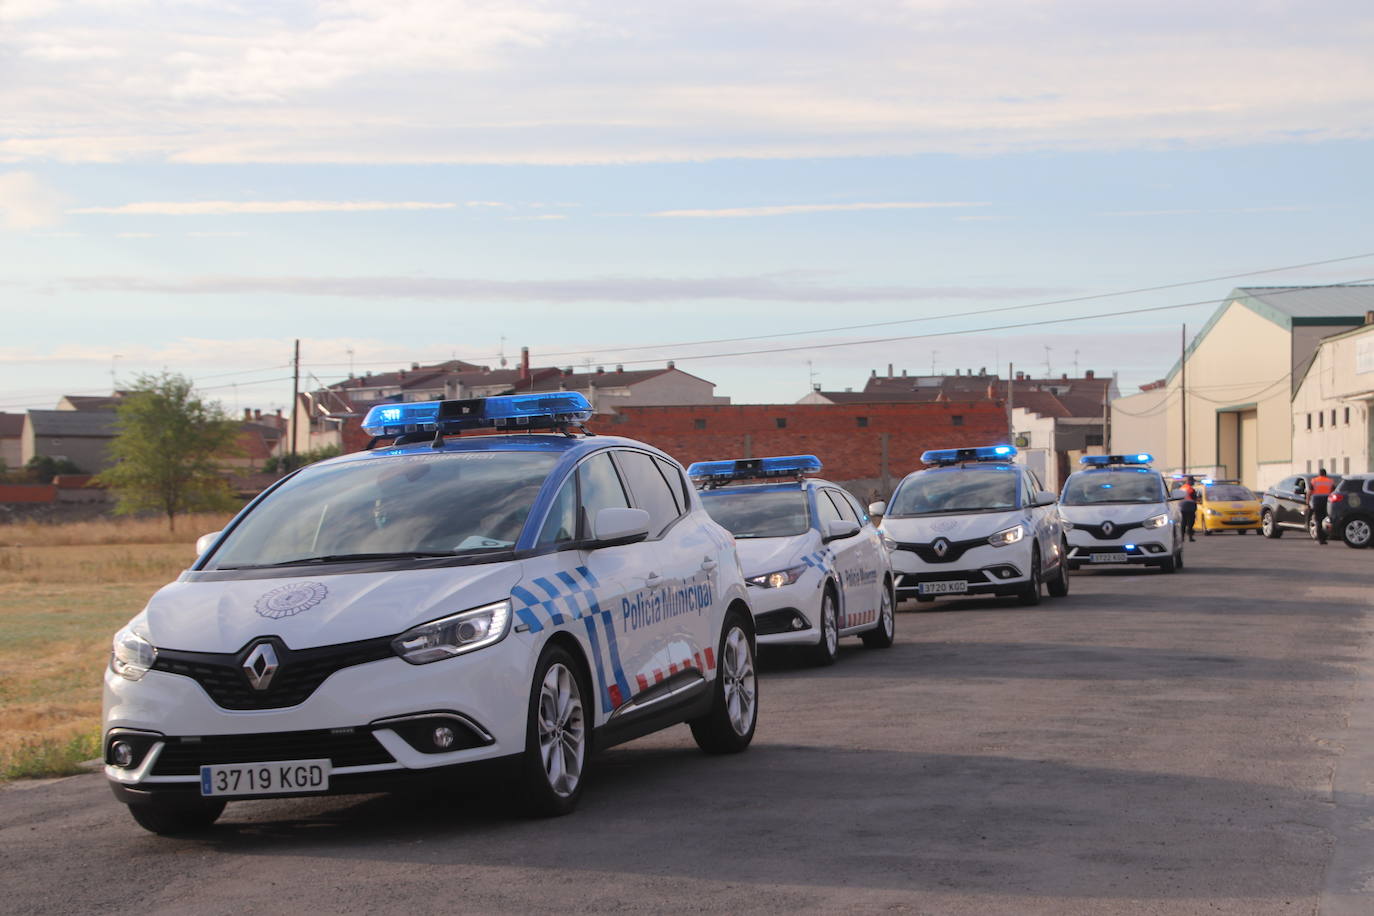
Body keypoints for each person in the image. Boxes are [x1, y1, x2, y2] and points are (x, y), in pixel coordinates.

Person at [1308, 467, 1336, 544]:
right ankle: (1325, 537)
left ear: (1319, 474)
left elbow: (1309, 492)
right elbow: (1334, 491)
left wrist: (1307, 502)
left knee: (1318, 520)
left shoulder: (1314, 481)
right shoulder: (1330, 481)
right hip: (1327, 501)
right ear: (1325, 474)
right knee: (1326, 519)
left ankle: (1320, 539)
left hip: (1317, 501)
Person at [1178, 476, 1198, 542]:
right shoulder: (1191, 489)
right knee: (1190, 522)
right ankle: (1190, 537)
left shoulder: (1182, 488)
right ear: (1189, 481)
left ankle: (1182, 538)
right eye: (1193, 481)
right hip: (1189, 507)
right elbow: (1194, 498)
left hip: (1182, 507)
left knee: (1183, 522)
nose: (1193, 483)